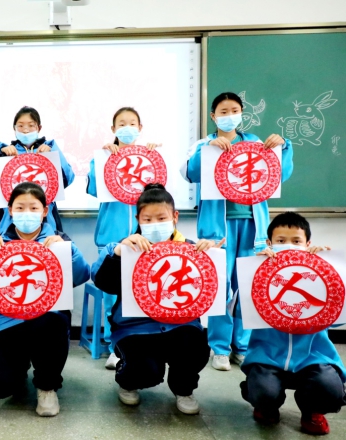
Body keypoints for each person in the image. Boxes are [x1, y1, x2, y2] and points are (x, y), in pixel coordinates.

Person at [180, 92, 294, 371]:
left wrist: (283, 146)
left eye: (234, 110)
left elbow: (280, 174)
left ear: (242, 113)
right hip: (216, 231)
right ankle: (219, 348)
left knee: (247, 287)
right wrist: (207, 150)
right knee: (219, 288)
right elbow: (190, 173)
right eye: (223, 111)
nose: (229, 115)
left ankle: (241, 346)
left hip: (253, 227)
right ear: (213, 116)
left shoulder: (255, 143)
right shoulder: (204, 144)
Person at [0, 182, 90, 417]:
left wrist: (68, 250)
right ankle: (18, 368)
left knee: (52, 324)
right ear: (10, 210)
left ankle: (47, 385)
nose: (27, 213)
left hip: (47, 319)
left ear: (45, 210)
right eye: (20, 208)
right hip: (5, 321)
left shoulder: (59, 240)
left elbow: (81, 275)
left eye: (34, 208)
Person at [91, 183, 221, 415]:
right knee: (146, 369)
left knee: (196, 348)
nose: (155, 224)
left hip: (181, 325)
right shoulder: (124, 248)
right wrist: (118, 253)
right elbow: (102, 282)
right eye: (147, 219)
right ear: (138, 219)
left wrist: (211, 258)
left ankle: (183, 389)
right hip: (135, 327)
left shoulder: (192, 249)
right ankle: (127, 381)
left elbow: (217, 292)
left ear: (175, 217)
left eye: (161, 218)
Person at [240, 211, 346, 435]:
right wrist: (253, 276)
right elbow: (238, 313)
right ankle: (266, 406)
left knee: (330, 389)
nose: (288, 245)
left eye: (296, 241)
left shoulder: (320, 275)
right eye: (280, 241)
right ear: (269, 243)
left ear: (308, 244)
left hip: (313, 359)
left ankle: (312, 410)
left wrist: (332, 274)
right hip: (267, 359)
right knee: (264, 392)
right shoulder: (259, 272)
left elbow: (338, 320)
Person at [86, 106, 161, 370]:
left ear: (140, 128)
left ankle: (143, 341)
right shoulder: (104, 157)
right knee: (111, 294)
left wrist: (154, 158)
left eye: (132, 123)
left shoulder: (150, 158)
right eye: (121, 123)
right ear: (113, 129)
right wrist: (103, 160)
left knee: (146, 290)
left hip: (146, 237)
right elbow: (94, 189)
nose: (127, 127)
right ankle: (114, 347)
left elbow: (160, 196)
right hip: (111, 236)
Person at [0, 106, 75, 234]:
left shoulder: (49, 149)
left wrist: (53, 153)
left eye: (31, 125)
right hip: (10, 220)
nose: (25, 130)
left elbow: (67, 180)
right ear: (14, 128)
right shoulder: (7, 151)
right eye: (20, 126)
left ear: (39, 128)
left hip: (46, 220)